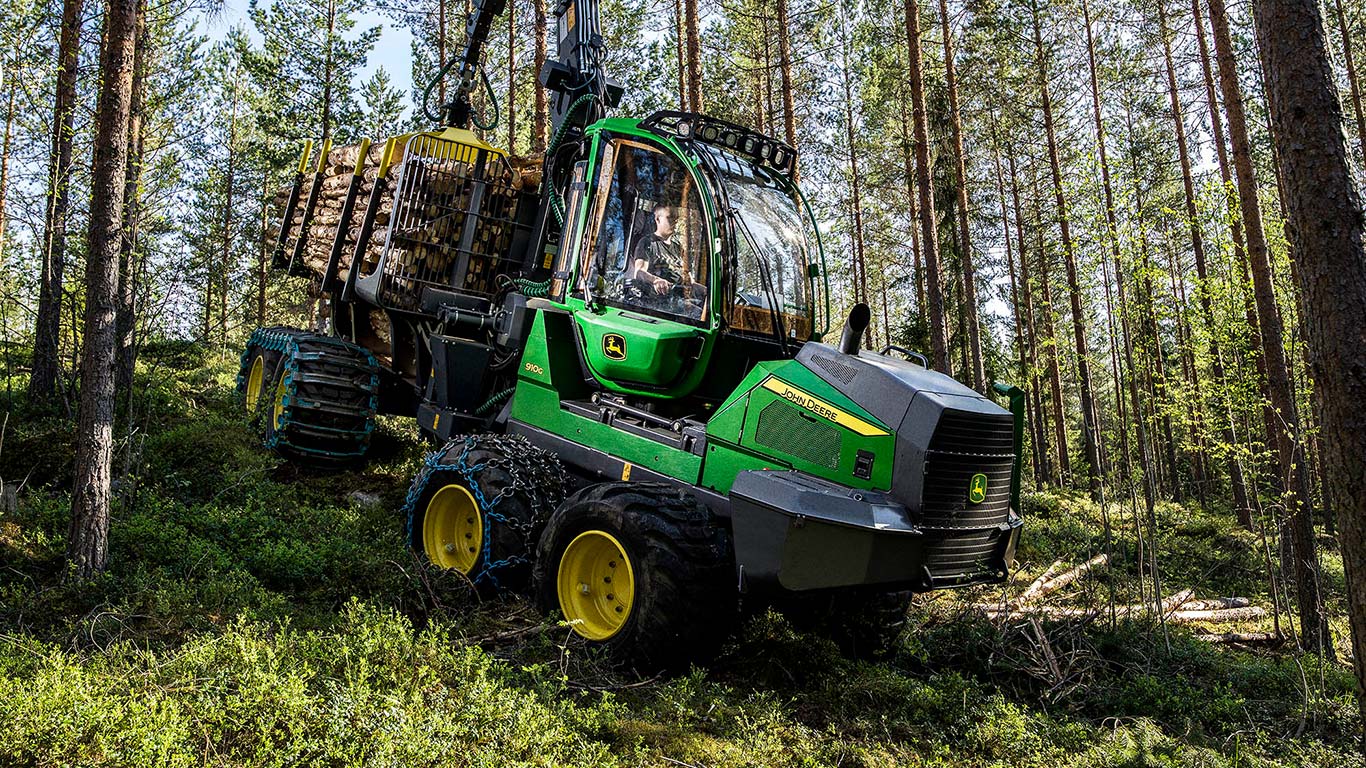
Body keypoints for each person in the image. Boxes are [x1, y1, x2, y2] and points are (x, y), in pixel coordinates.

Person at [630, 203, 686, 297]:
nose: (675, 221)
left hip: (680, 297)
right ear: (658, 219)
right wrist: (656, 280)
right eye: (670, 217)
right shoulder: (647, 243)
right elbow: (639, 272)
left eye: (676, 218)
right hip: (658, 300)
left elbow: (689, 280)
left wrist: (706, 292)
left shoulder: (678, 248)